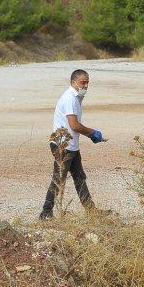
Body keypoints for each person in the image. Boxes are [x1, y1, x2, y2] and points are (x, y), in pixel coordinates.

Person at [40, 68, 106, 219]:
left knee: (79, 177)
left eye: (88, 83)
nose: (86, 86)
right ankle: (45, 213)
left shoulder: (75, 98)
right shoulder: (70, 98)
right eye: (83, 82)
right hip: (63, 145)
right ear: (73, 82)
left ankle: (91, 211)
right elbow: (74, 125)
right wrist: (92, 133)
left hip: (71, 145)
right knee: (59, 178)